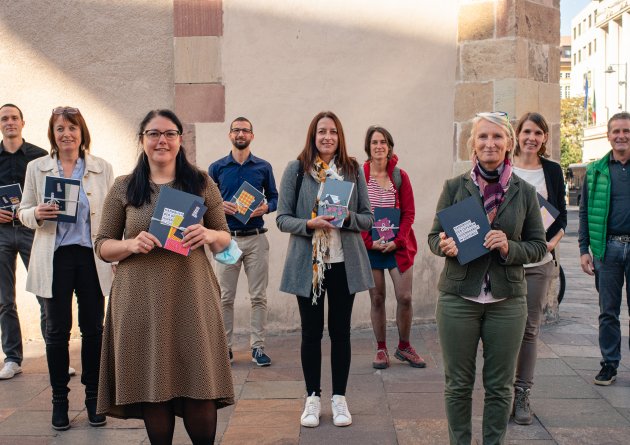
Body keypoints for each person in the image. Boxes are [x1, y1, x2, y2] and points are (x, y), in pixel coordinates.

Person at [95, 109, 234, 445]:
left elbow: (225, 238)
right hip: (140, 300)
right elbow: (102, 245)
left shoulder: (201, 182)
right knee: (153, 386)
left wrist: (208, 235)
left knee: (200, 384)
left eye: (169, 133)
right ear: (142, 140)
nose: (162, 140)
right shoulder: (124, 187)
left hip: (191, 295)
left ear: (180, 139)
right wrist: (129, 243)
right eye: (154, 134)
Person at [428, 112, 546, 444]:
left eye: (496, 137)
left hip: (507, 302)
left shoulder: (523, 192)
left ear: (508, 143)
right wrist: (445, 245)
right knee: (458, 384)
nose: (489, 143)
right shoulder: (455, 187)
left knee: (499, 386)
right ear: (473, 145)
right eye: (482, 137)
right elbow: (434, 237)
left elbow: (538, 245)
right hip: (457, 299)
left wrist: (510, 246)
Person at [18, 106, 114, 430]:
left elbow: (113, 216)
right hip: (54, 257)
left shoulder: (101, 168)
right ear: (53, 134)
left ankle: (93, 398)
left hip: (89, 257)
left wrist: (115, 255)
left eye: (72, 128)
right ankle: (59, 400)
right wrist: (37, 214)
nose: (66, 134)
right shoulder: (37, 168)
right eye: (60, 129)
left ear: (81, 132)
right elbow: (23, 211)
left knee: (94, 330)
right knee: (56, 332)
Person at [276, 111, 374, 428]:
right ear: (313, 136)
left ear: (339, 136)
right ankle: (313, 398)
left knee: (341, 333)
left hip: (344, 264)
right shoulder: (297, 170)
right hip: (310, 266)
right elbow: (282, 218)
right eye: (322, 132)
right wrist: (309, 223)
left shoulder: (352, 170)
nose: (327, 137)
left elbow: (368, 218)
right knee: (311, 333)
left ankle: (340, 399)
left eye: (332, 131)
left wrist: (346, 219)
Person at [511, 112, 567, 424]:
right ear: (517, 134)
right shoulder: (505, 167)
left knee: (530, 329)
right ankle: (502, 392)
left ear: (544, 138)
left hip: (539, 263)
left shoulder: (552, 171)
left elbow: (560, 219)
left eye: (538, 133)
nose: (532, 137)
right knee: (504, 330)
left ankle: (522, 394)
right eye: (527, 131)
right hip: (506, 261)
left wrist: (549, 244)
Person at [209, 116, 278, 367]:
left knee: (258, 296)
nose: (240, 134)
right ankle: (224, 348)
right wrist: (219, 206)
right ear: (230, 135)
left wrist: (265, 207)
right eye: (236, 130)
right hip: (227, 240)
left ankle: (258, 348)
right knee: (225, 297)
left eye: (245, 130)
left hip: (257, 239)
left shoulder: (263, 167)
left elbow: (275, 198)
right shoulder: (217, 168)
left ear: (252, 135)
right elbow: (205, 201)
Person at [360, 126, 424, 369]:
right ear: (368, 147)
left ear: (389, 146)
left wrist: (398, 241)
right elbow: (355, 212)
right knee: (377, 298)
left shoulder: (400, 176)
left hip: (398, 246)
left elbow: (409, 214)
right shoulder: (360, 176)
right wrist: (369, 242)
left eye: (384, 142)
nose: (379, 146)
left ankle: (404, 346)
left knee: (405, 297)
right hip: (371, 246)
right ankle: (381, 349)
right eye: (375, 142)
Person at [578, 111, 630, 387]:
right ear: (609, 136)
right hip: (607, 249)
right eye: (616, 131)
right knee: (608, 311)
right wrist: (584, 249)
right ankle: (609, 364)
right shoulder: (596, 170)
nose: (621, 136)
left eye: (626, 131)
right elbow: (585, 212)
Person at [0, 104, 47, 380]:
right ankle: (13, 358)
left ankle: (55, 353)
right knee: (5, 300)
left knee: (44, 293)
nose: (9, 122)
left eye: (14, 118)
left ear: (23, 122)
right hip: (2, 233)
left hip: (32, 230)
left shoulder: (38, 157)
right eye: (4, 118)